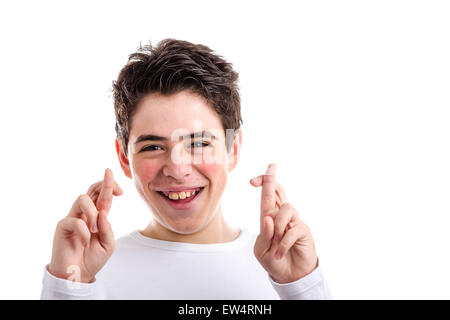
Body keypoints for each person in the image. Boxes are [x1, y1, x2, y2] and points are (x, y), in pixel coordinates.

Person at [40, 39, 332, 299]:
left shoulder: (285, 272)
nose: (177, 170)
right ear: (125, 158)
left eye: (199, 143)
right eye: (153, 147)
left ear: (233, 148)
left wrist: (302, 287)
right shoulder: (88, 273)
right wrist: (67, 288)